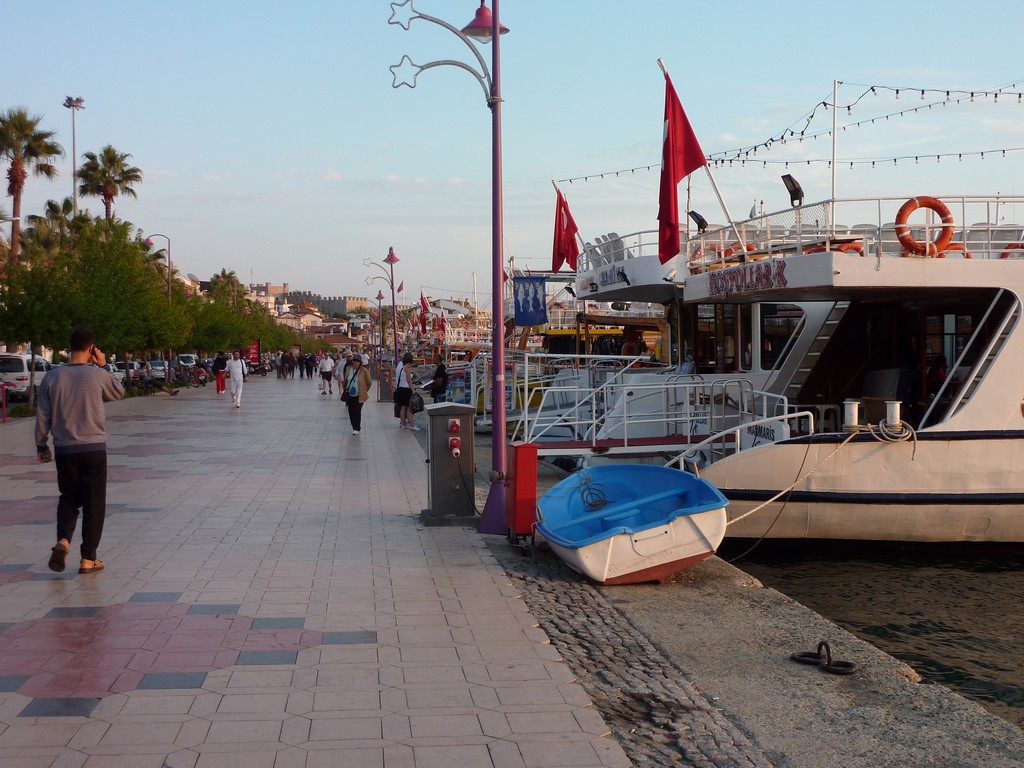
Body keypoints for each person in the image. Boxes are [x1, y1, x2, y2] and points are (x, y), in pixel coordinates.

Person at [35, 328, 124, 575]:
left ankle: (63, 541)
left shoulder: (51, 377)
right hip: (93, 447)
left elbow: (43, 414)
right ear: (91, 348)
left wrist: (41, 444)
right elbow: (118, 392)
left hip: (64, 449)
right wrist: (104, 365)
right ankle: (88, 559)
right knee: (94, 503)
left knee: (68, 497)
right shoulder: (97, 375)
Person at [343, 353, 373, 434]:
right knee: (351, 411)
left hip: (359, 395)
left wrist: (365, 390)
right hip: (349, 394)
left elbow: (369, 382)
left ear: (360, 362)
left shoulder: (364, 370)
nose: (355, 362)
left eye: (357, 361)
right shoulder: (348, 369)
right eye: (354, 360)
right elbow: (345, 380)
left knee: (357, 411)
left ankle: (357, 428)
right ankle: (354, 426)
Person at [394, 352, 418, 430]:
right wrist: (413, 390)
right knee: (409, 408)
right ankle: (412, 425)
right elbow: (409, 381)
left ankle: (403, 424)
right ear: (409, 362)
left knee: (403, 407)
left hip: (400, 389)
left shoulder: (400, 367)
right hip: (406, 390)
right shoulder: (407, 369)